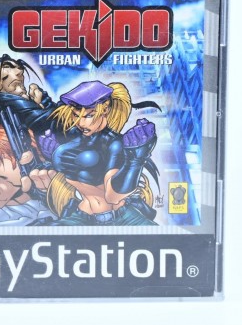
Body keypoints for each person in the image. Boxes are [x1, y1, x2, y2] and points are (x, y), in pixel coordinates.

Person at [42, 80, 159, 226]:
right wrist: (52, 157)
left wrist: (134, 161)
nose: (81, 123)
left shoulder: (114, 143)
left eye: (88, 116)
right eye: (76, 115)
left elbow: (112, 197)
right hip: (82, 215)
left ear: (105, 110)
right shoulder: (73, 138)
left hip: (121, 218)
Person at [0, 54, 57, 138]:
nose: (19, 71)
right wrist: (44, 102)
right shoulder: (5, 102)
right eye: (7, 67)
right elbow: (50, 120)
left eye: (19, 68)